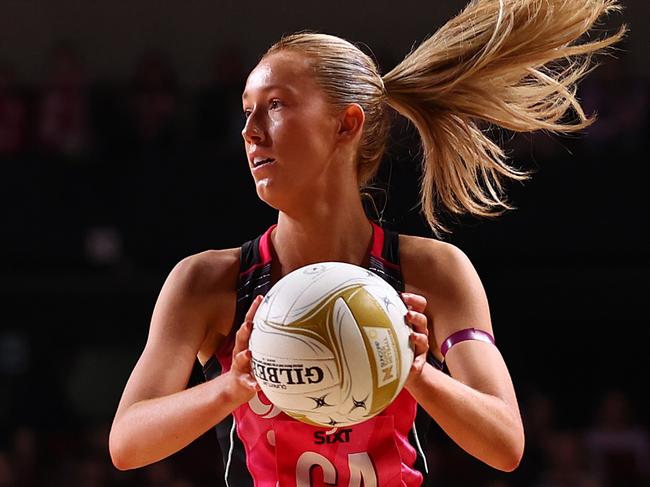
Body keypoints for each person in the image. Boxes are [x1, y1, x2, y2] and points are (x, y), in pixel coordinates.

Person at [109, 0, 625, 485]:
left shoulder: (432, 271)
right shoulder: (208, 281)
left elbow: (505, 443)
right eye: (246, 110)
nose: (249, 131)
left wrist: (418, 372)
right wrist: (233, 385)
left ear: (345, 124)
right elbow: (127, 443)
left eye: (275, 105)